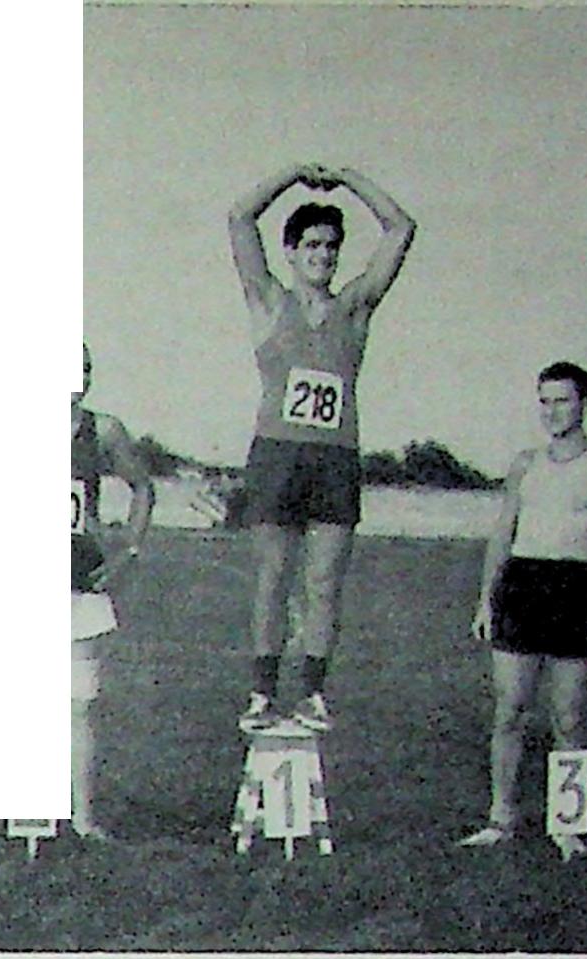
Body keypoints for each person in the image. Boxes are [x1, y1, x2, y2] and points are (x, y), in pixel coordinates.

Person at [229, 162, 416, 732]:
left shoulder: (355, 306)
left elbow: (401, 228)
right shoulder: (269, 301)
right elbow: (240, 217)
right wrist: (294, 175)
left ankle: (311, 692)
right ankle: (262, 693)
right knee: (273, 577)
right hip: (277, 454)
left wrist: (348, 179)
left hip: (334, 459)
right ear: (291, 252)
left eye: (332, 246)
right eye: (311, 245)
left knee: (323, 582)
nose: (323, 255)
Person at [0, 343, 154, 847]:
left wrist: (128, 550)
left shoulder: (103, 430)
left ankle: (83, 817)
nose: (78, 378)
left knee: (79, 704)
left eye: (85, 369)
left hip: (79, 577)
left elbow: (142, 487)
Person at [457, 361, 587, 861]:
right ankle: (500, 820)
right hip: (522, 587)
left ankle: (567, 827)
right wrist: (486, 600)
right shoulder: (525, 463)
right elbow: (503, 535)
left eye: (562, 400)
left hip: (579, 589)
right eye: (544, 401)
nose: (552, 411)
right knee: (509, 710)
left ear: (584, 403)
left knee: (568, 716)